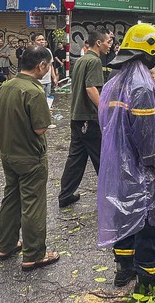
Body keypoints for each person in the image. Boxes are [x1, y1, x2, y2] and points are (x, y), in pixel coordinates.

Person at [97, 23, 155, 289]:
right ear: (150, 51)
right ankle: (147, 280)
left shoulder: (114, 83)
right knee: (152, 223)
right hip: (143, 169)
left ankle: (123, 271)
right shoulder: (142, 87)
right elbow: (147, 135)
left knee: (125, 215)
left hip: (120, 165)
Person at [0, 45, 60, 271]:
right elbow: (41, 128)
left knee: (11, 198)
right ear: (41, 65)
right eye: (48, 65)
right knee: (33, 203)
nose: (48, 69)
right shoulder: (34, 91)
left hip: (8, 154)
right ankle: (33, 255)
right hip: (31, 156)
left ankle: (7, 244)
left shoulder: (5, 86)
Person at [58, 29, 111, 208]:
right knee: (101, 158)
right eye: (108, 42)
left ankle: (65, 194)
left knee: (76, 158)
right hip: (89, 118)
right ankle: (111, 198)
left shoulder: (80, 60)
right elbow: (91, 89)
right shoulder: (94, 61)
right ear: (98, 43)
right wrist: (105, 109)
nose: (109, 45)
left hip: (76, 117)